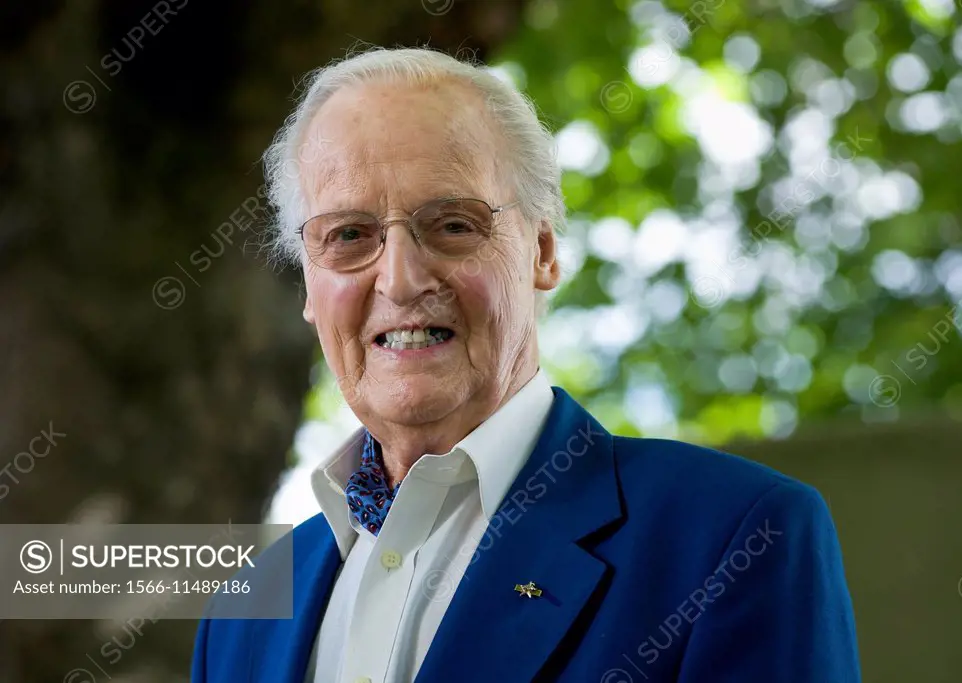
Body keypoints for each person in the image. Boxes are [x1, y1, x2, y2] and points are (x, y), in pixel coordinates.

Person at [190, 47, 860, 683]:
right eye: (348, 236)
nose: (398, 279)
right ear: (309, 284)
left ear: (542, 252)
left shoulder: (731, 536)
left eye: (452, 224)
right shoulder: (242, 610)